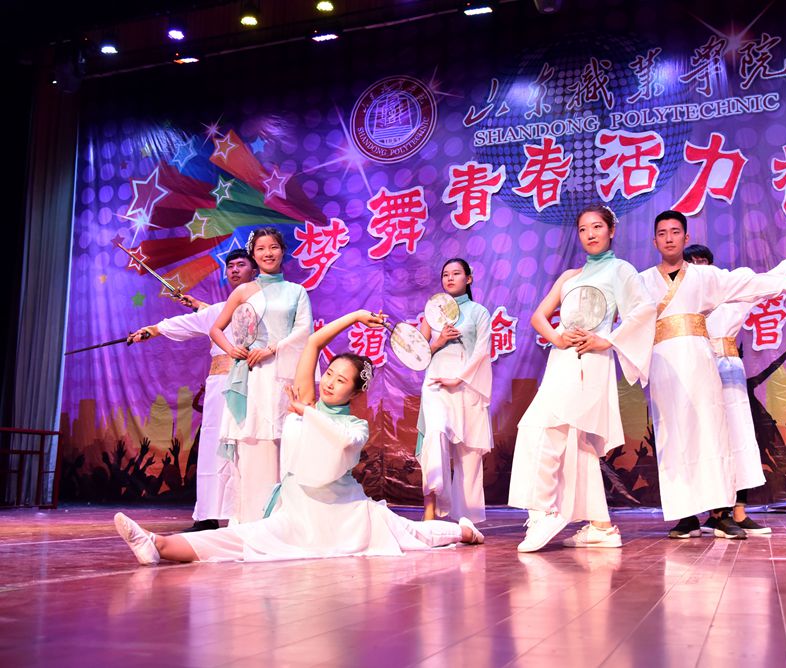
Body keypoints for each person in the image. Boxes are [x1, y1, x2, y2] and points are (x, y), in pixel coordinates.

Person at [113, 309, 485, 565]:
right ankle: (156, 544)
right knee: (237, 541)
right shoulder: (308, 399)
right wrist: (356, 316)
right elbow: (313, 343)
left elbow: (340, 441)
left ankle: (464, 533)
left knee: (417, 535)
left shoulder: (354, 426)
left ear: (356, 392)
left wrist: (306, 413)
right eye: (331, 374)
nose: (331, 382)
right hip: (297, 510)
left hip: (349, 516)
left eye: (341, 380)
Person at [638, 211, 786, 540]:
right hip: (664, 364)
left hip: (702, 362)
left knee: (714, 435)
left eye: (675, 232)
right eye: (663, 233)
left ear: (685, 237)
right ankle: (685, 515)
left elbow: (751, 282)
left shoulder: (706, 279)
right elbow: (628, 319)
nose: (669, 238)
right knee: (673, 437)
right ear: (654, 240)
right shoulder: (641, 281)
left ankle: (723, 513)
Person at [509, 205, 655, 553]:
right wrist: (557, 338)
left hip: (590, 361)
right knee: (576, 442)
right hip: (562, 359)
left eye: (597, 227)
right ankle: (602, 527)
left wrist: (608, 340)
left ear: (611, 230)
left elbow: (644, 311)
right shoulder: (569, 276)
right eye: (583, 229)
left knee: (541, 427)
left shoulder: (620, 270)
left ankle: (544, 510)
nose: (590, 234)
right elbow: (539, 316)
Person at [685, 244, 786, 535]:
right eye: (693, 264)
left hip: (727, 370)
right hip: (697, 370)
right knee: (702, 440)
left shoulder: (733, 290)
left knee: (738, 438)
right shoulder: (685, 301)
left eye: (704, 263)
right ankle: (704, 514)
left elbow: (770, 280)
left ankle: (737, 513)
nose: (700, 269)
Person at [127, 249, 258, 531]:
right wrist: (151, 330)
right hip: (221, 385)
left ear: (255, 270)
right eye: (231, 266)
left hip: (256, 383)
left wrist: (201, 307)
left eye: (241, 265)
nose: (235, 270)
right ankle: (208, 516)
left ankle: (253, 516)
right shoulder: (216, 311)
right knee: (213, 447)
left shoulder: (268, 308)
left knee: (252, 445)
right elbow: (183, 324)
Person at [209, 227, 312, 523]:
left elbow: (303, 331)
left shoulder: (297, 291)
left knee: (282, 443)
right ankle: (249, 520)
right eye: (261, 249)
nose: (268, 253)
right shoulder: (244, 291)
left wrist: (272, 349)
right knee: (252, 442)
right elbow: (216, 329)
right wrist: (233, 349)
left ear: (283, 251)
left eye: (273, 247)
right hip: (251, 376)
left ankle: (282, 520)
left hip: (282, 375)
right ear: (254, 256)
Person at [417, 258, 493, 523]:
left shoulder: (479, 312)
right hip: (436, 382)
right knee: (435, 436)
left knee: (469, 453)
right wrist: (438, 341)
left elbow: (482, 351)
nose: (449, 278)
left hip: (467, 384)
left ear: (468, 279)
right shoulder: (432, 311)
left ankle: (468, 519)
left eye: (456, 273)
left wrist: (459, 378)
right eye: (445, 274)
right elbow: (417, 353)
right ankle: (434, 509)